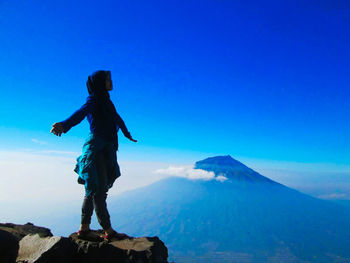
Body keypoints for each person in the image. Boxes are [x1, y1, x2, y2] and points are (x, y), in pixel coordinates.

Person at [50, 70, 137, 240]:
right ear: (100, 83)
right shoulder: (95, 100)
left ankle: (84, 228)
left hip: (106, 149)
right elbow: (81, 113)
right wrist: (64, 125)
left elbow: (117, 119)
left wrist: (127, 134)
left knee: (92, 191)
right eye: (108, 79)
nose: (111, 82)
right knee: (98, 191)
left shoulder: (107, 102)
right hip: (96, 149)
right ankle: (108, 231)